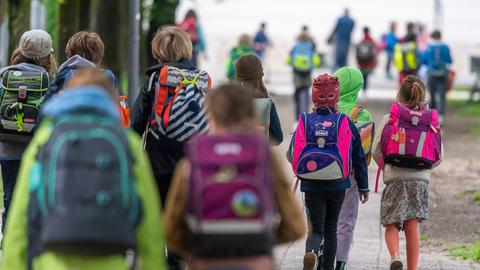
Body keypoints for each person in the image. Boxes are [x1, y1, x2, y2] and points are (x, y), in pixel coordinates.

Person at [2, 71, 166, 270]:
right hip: (113, 262)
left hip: (52, 262)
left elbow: (20, 221)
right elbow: (150, 226)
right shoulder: (126, 142)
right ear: (111, 101)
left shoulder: (46, 138)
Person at [164, 83, 305, 270]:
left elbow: (171, 231)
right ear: (251, 114)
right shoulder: (265, 157)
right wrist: (261, 241)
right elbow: (295, 226)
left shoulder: (193, 160)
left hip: (206, 261)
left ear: (212, 117)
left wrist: (200, 247)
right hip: (256, 261)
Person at [131, 26, 211, 270]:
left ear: (158, 52)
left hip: (157, 164)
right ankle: (176, 263)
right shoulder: (202, 80)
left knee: (155, 221)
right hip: (193, 165)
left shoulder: (155, 80)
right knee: (182, 223)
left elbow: (136, 123)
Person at [288, 74, 369, 270]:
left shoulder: (305, 120)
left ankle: (312, 252)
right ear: (336, 96)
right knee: (331, 229)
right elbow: (358, 156)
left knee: (316, 229)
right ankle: (327, 267)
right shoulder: (345, 121)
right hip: (337, 183)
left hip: (311, 183)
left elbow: (292, 154)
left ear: (313, 97)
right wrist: (363, 187)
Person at [372, 76, 444, 270]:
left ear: (399, 95)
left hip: (395, 178)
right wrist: (423, 167)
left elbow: (376, 150)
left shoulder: (390, 118)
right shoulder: (430, 121)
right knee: (412, 228)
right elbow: (438, 156)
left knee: (391, 223)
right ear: (423, 96)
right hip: (419, 181)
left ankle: (395, 257)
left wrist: (389, 165)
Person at [0, 29, 57, 229]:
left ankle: (7, 246)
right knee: (36, 201)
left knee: (10, 199)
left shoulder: (4, 74)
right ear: (47, 56)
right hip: (37, 151)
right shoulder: (49, 80)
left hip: (7, 150)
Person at [333, 67, 374, 270]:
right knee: (345, 221)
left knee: (322, 219)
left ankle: (318, 253)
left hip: (320, 175)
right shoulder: (363, 114)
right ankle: (340, 263)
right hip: (349, 176)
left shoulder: (323, 108)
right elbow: (365, 152)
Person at [45, 31, 118, 103]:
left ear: (69, 55)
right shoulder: (109, 77)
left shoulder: (64, 76)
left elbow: (45, 110)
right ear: (99, 57)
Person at [234, 54, 283, 145]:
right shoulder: (267, 104)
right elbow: (277, 138)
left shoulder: (229, 102)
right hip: (258, 156)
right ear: (260, 75)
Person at [288, 26, 320, 121]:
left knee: (297, 95)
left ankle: (296, 119)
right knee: (306, 94)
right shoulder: (310, 47)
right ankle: (305, 116)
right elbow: (316, 62)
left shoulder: (295, 47)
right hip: (307, 73)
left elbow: (289, 61)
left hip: (297, 73)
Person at [422, 30, 452, 124]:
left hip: (432, 74)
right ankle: (441, 116)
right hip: (443, 74)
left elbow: (423, 60)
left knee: (432, 94)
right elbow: (449, 60)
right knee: (442, 95)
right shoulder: (445, 47)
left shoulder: (429, 47)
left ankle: (432, 116)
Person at [355, 27, 378, 91]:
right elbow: (375, 52)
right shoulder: (371, 41)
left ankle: (363, 88)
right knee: (366, 75)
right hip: (369, 62)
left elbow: (357, 52)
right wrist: (375, 62)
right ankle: (365, 88)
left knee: (363, 75)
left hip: (361, 62)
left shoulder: (361, 41)